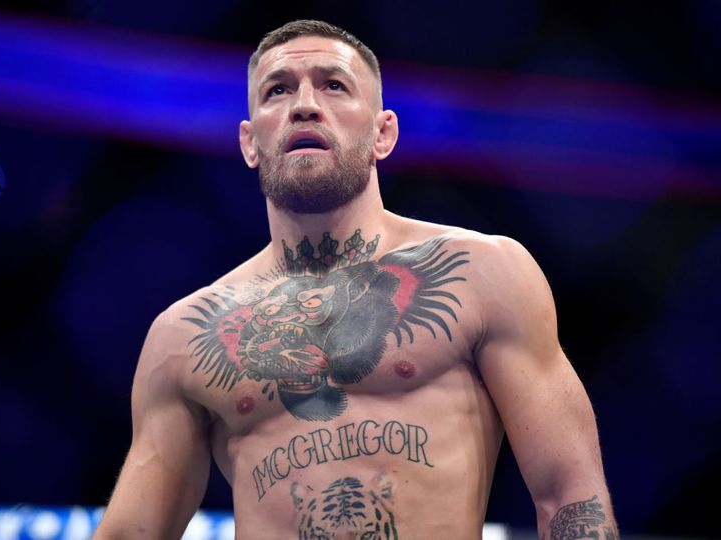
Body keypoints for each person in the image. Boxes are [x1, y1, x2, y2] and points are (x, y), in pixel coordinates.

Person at [93, 19, 618, 539]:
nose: (303, 103)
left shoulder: (483, 273)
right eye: (277, 90)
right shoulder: (185, 335)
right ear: (250, 144)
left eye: (334, 85)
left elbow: (570, 496)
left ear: (382, 133)